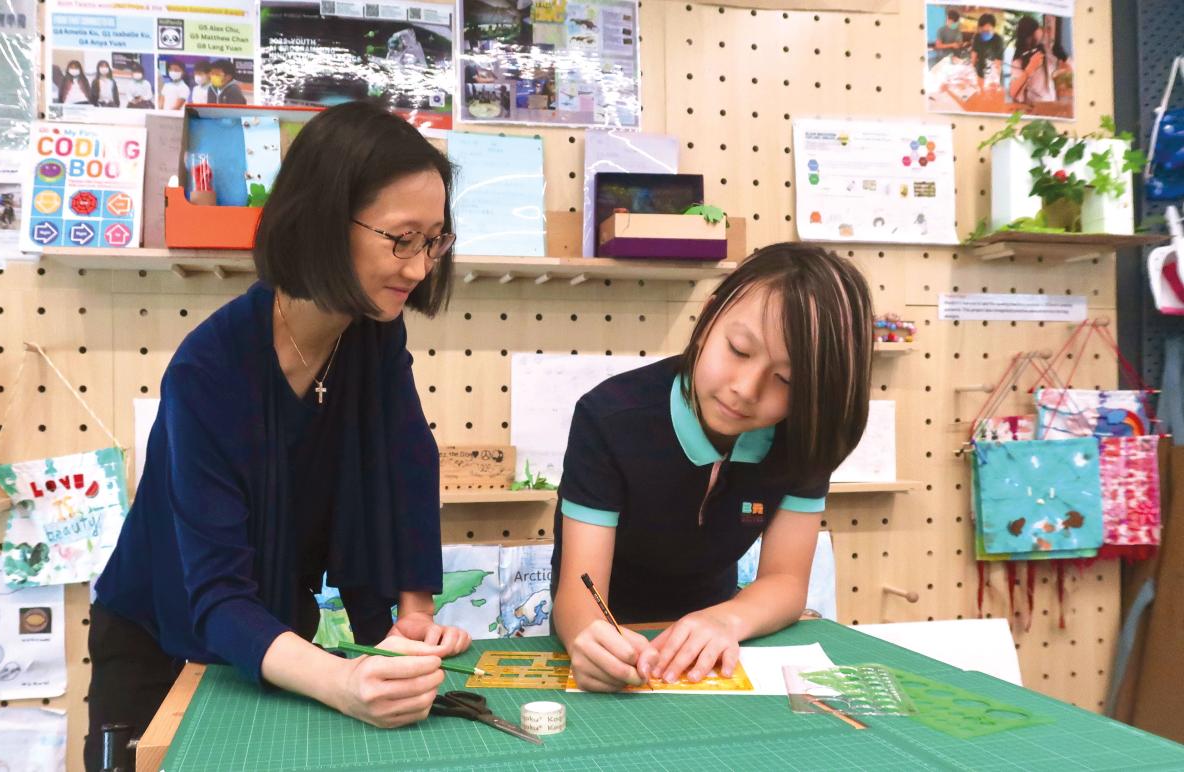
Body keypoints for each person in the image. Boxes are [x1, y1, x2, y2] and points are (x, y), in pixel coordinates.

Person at [85, 101, 464, 770]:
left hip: (277, 638)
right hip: (160, 642)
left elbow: (406, 468)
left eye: (434, 241)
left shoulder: (373, 336)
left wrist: (411, 616)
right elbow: (216, 595)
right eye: (402, 238)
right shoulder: (211, 371)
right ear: (324, 220)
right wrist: (344, 681)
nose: (419, 267)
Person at [550, 243, 874, 692]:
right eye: (739, 350)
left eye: (787, 380)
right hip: (608, 641)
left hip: (716, 642)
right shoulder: (610, 418)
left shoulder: (805, 435)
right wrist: (588, 636)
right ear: (708, 319)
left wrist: (727, 619)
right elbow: (578, 594)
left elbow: (785, 580)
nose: (745, 389)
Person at [1010, 15, 1054, 106]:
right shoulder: (1018, 62)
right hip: (1033, 108)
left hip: (1051, 103)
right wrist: (1029, 69)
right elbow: (1013, 92)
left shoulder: (1046, 51)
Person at [970, 13, 1005, 92]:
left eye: (988, 31)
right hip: (980, 70)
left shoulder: (998, 40)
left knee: (992, 94)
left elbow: (998, 63)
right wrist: (970, 72)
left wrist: (995, 80)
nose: (985, 33)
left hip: (993, 73)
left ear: (993, 28)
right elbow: (974, 55)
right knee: (979, 93)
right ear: (979, 28)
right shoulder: (977, 37)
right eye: (982, 31)